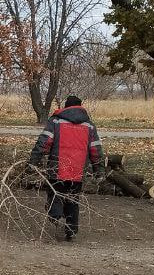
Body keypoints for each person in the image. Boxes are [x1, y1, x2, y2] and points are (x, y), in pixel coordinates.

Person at [28, 94, 104, 241]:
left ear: (66, 106)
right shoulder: (89, 125)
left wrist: (33, 161)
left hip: (57, 168)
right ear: (81, 106)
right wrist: (98, 170)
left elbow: (44, 143)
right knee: (73, 200)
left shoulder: (55, 121)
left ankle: (55, 215)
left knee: (55, 193)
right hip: (78, 171)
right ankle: (71, 231)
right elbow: (96, 150)